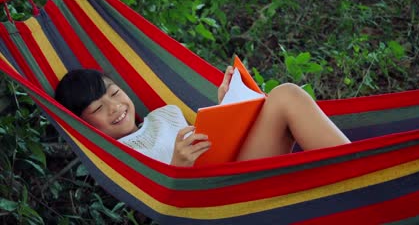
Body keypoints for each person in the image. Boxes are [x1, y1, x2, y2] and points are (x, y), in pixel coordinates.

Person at [54, 67, 350, 167]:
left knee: (286, 95)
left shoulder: (166, 115)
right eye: (96, 108)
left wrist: (228, 107)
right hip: (215, 201)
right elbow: (164, 208)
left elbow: (214, 142)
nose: (114, 107)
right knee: (285, 96)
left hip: (232, 170)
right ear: (84, 123)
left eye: (115, 93)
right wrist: (178, 167)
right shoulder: (115, 158)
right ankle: (361, 174)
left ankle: (364, 175)